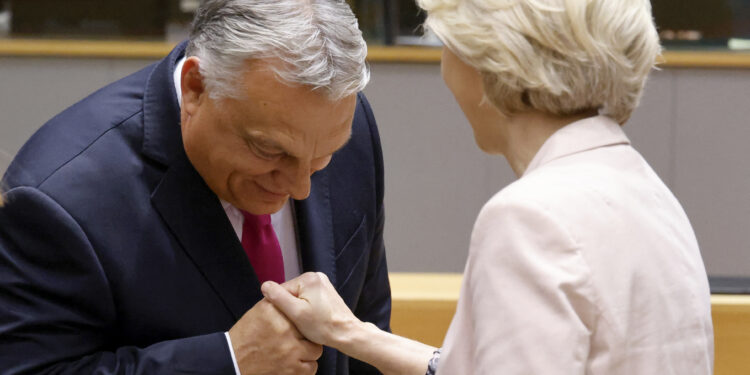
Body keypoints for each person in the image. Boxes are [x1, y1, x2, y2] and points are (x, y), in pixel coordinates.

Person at [261, 0, 715, 374]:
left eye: (449, 44)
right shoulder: (648, 193)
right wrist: (349, 331)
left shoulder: (529, 219)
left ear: (485, 62)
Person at [0, 0, 390, 374]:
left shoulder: (341, 127)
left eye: (323, 157)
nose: (301, 186)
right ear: (195, 88)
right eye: (269, 149)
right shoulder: (59, 200)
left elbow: (365, 337)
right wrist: (228, 362)